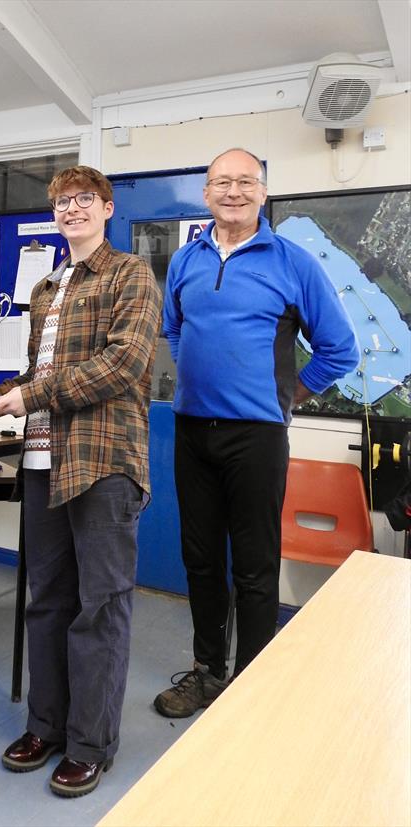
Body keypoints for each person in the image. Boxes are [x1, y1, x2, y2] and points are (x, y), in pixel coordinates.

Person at [155, 148, 359, 718]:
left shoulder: (293, 262)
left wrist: (287, 393)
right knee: (199, 558)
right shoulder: (185, 260)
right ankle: (206, 671)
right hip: (193, 431)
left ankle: (252, 681)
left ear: (263, 193)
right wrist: (200, 374)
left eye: (246, 182)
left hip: (258, 437)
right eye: (222, 182)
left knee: (254, 563)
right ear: (206, 194)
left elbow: (341, 349)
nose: (233, 191)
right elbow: (174, 330)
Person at [0, 166, 162, 797]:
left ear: (108, 208)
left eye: (84, 199)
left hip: (103, 463)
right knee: (46, 601)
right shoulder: (45, 287)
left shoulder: (131, 275)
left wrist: (33, 391)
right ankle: (46, 725)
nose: (72, 209)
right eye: (62, 201)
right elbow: (40, 373)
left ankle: (90, 743)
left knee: (101, 606)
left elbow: (124, 363)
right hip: (41, 462)